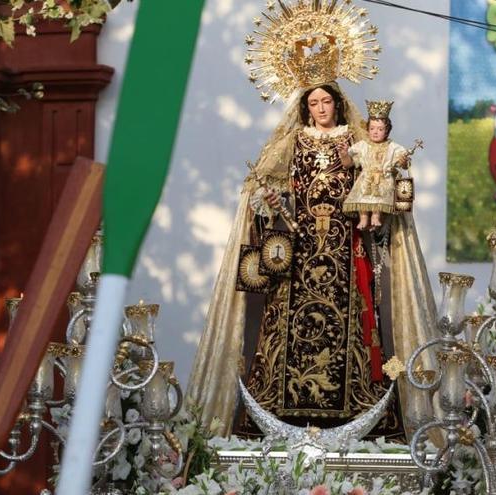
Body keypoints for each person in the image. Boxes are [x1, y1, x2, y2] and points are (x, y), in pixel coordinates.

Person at [186, 0, 439, 441]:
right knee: (284, 321)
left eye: (327, 101)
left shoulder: (355, 142)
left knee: (356, 319)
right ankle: (276, 405)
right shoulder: (294, 141)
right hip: (299, 248)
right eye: (314, 102)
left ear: (339, 104)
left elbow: (375, 179)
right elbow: (265, 187)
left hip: (345, 247)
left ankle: (359, 402)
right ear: (305, 107)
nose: (321, 107)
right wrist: (266, 199)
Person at [342, 100, 409, 230]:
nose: (375, 132)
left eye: (380, 129)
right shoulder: (363, 145)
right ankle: (363, 218)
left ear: (387, 131)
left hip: (383, 179)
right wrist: (345, 153)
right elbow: (350, 158)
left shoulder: (392, 147)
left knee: (379, 198)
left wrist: (403, 160)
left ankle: (376, 216)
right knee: (363, 197)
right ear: (367, 130)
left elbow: (403, 160)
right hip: (366, 178)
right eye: (372, 128)